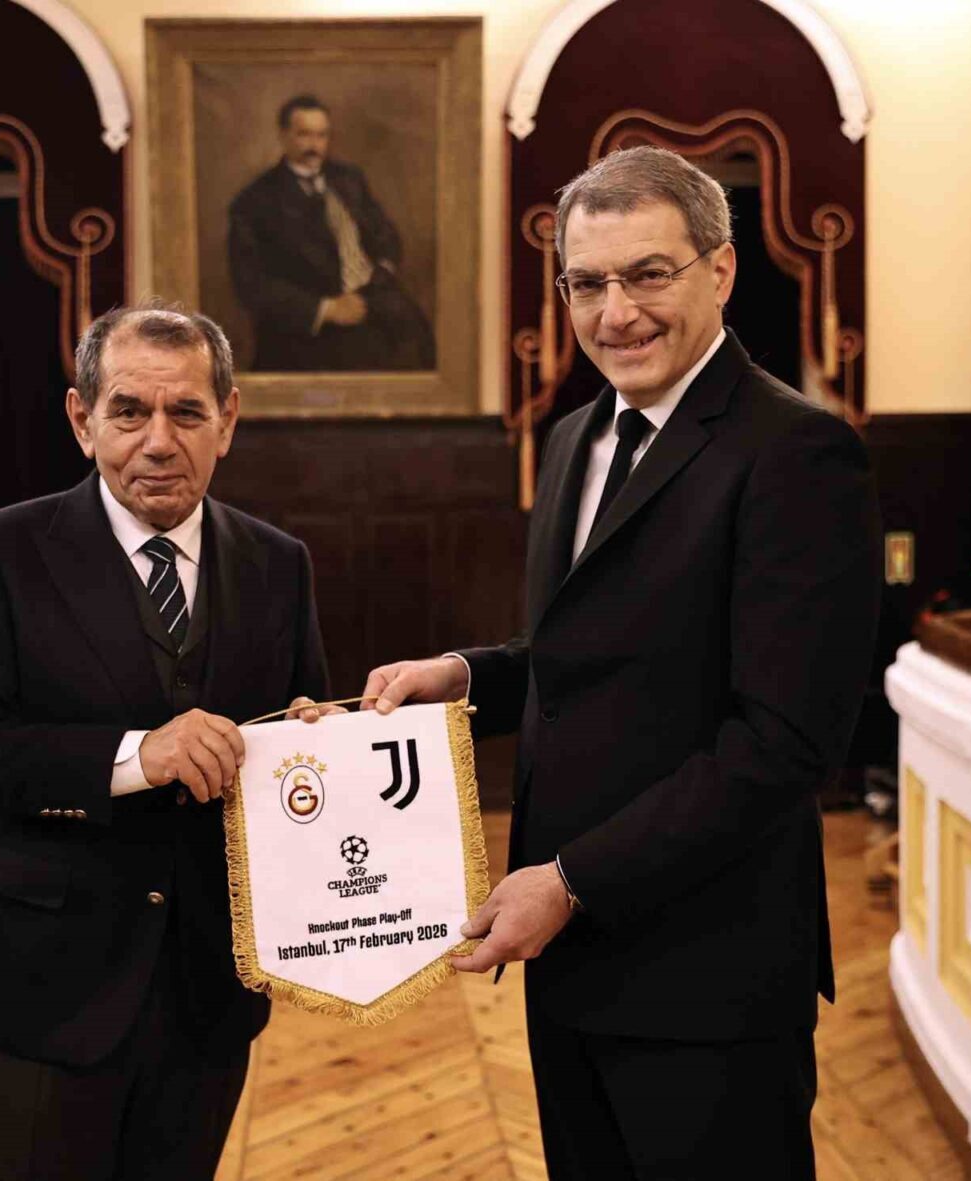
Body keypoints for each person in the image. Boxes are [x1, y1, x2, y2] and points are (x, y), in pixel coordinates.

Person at [360, 147, 881, 1178]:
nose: (616, 313)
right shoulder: (573, 437)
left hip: (709, 979)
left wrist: (568, 880)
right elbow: (593, 656)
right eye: (586, 283)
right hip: (570, 964)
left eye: (648, 274)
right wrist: (462, 675)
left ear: (720, 270)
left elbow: (784, 742)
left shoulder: (797, 452)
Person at [0, 302, 333, 1180]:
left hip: (206, 991)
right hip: (38, 985)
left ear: (228, 419)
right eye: (129, 411)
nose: (158, 441)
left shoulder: (279, 564)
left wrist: (321, 746)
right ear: (82, 419)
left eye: (186, 412)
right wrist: (135, 757)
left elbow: (292, 750)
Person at [228, 93, 435, 372]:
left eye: (321, 135)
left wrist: (381, 273)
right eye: (304, 135)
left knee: (418, 343)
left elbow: (385, 234)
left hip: (373, 297)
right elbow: (250, 283)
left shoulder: (349, 178)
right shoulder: (254, 202)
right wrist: (326, 309)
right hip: (307, 327)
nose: (314, 146)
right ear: (284, 136)